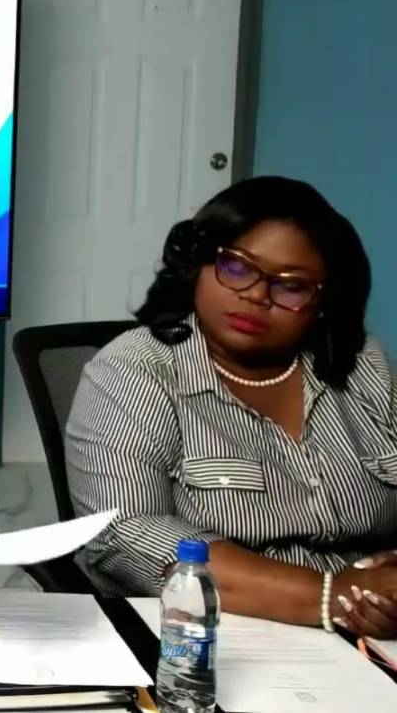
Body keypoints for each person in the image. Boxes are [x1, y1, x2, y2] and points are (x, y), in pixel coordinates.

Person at [67, 177, 397, 637]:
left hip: (367, 634)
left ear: (323, 302)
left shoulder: (364, 366)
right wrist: (328, 594)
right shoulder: (134, 369)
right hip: (199, 630)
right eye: (238, 268)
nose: (257, 296)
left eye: (291, 286)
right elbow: (126, 534)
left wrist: (386, 585)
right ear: (199, 265)